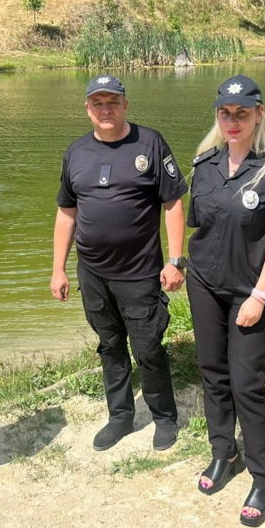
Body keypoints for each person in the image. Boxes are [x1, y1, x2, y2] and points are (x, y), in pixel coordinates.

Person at [185, 75, 265, 527]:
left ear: (258, 114)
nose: (232, 121)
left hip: (249, 292)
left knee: (247, 384)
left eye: (241, 113)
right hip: (204, 285)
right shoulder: (205, 163)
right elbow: (201, 226)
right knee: (213, 374)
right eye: (224, 113)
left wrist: (259, 294)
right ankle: (224, 452)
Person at [52, 75, 188, 453]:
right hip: (92, 273)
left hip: (140, 272)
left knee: (147, 348)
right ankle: (120, 416)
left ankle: (164, 416)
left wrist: (176, 260)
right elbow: (66, 213)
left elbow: (173, 202)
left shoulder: (150, 142)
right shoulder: (76, 152)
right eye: (98, 103)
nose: (106, 109)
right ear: (88, 109)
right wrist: (58, 268)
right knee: (109, 345)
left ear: (126, 105)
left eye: (113, 101)